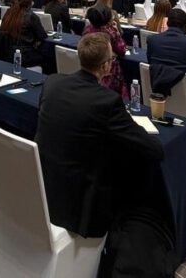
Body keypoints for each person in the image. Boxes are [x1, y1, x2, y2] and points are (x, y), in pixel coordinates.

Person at [35, 33, 164, 238]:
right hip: (78, 205)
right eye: (112, 59)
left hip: (42, 181)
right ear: (106, 66)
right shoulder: (108, 101)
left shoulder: (52, 82)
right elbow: (153, 149)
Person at [81, 4, 127, 98]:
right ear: (107, 18)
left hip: (89, 67)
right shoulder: (110, 31)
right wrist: (117, 31)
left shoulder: (87, 29)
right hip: (107, 71)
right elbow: (122, 50)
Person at [0, 0, 46, 69]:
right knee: (48, 56)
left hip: (7, 52)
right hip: (25, 55)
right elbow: (42, 35)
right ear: (30, 4)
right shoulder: (31, 16)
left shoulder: (9, 12)